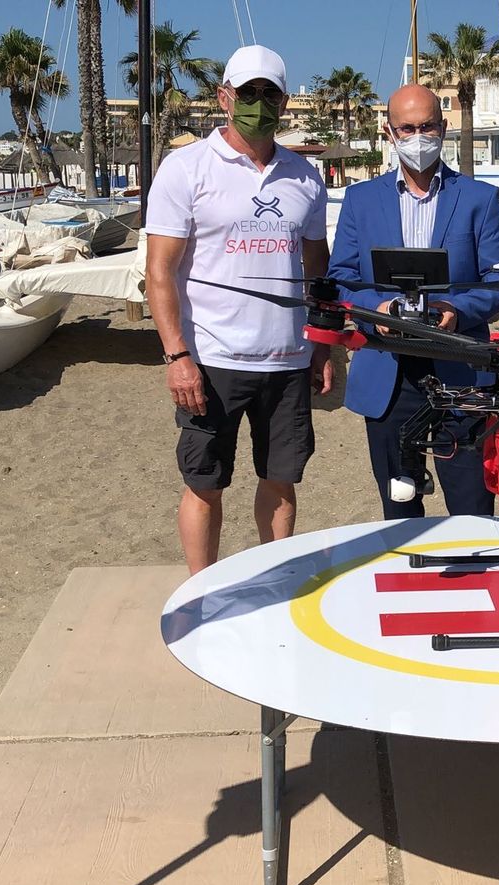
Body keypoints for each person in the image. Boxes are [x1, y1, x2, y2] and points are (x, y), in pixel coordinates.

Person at [144, 44, 334, 573]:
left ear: (284, 100)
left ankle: (273, 585)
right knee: (205, 484)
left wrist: (322, 348)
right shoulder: (186, 168)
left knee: (281, 480)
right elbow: (158, 271)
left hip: (287, 360)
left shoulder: (304, 177)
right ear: (224, 96)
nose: (257, 102)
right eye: (247, 92)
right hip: (211, 358)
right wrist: (176, 355)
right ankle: (200, 594)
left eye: (268, 93)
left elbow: (317, 272)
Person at [329, 84, 499, 519]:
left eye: (426, 126)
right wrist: (377, 311)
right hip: (389, 376)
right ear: (389, 133)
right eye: (407, 128)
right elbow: (342, 278)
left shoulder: (479, 199)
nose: (418, 137)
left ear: (444, 128)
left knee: (471, 506)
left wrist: (457, 310)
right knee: (399, 508)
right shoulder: (361, 200)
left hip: (461, 372)